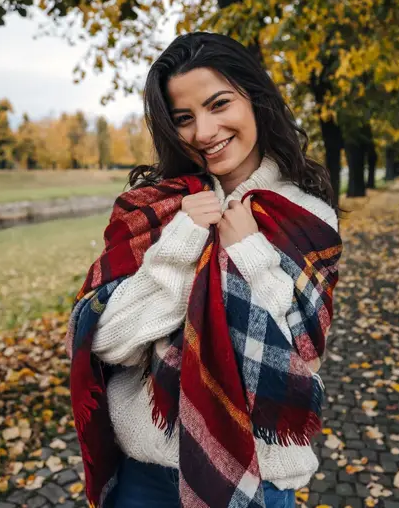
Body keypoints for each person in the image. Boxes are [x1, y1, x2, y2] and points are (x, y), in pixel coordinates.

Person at [66, 32, 342, 508]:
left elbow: (302, 356)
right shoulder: (158, 208)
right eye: (184, 119)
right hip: (149, 478)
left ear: (254, 99)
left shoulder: (307, 216)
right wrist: (183, 242)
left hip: (259, 481)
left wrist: (250, 254)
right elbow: (109, 342)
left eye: (219, 104)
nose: (205, 131)